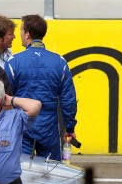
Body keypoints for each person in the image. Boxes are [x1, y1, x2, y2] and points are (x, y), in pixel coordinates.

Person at [5, 14, 78, 161]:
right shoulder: (59, 61)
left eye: (21, 30)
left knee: (20, 172)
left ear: (27, 34)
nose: (19, 34)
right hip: (49, 127)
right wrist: (69, 128)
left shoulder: (13, 62)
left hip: (22, 125)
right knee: (51, 173)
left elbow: (5, 98)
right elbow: (68, 100)